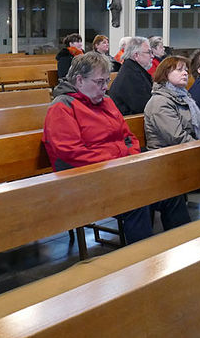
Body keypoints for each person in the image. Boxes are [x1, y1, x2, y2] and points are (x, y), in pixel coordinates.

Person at [42, 51, 190, 244]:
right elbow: (72, 154)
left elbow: (128, 137)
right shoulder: (61, 108)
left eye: (106, 81)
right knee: (136, 201)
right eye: (99, 82)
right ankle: (143, 262)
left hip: (121, 172)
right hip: (85, 181)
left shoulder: (106, 102)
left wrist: (129, 159)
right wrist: (117, 161)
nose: (105, 88)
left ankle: (183, 249)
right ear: (79, 80)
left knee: (170, 191)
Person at [143, 55, 200, 149]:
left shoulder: (185, 97)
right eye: (179, 70)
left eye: (186, 70)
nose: (185, 73)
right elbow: (177, 138)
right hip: (165, 156)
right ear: (165, 73)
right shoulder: (160, 102)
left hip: (185, 150)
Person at [109, 36, 154, 116]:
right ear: (136, 55)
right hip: (131, 123)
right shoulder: (132, 76)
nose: (152, 56)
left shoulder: (133, 69)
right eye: (149, 52)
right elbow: (145, 107)